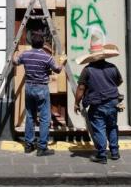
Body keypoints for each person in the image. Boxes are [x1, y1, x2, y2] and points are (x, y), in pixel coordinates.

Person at [13, 30, 67, 156]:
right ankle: (42, 147)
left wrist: (14, 54)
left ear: (31, 43)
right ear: (43, 44)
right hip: (41, 88)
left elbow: (15, 62)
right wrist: (62, 62)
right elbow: (57, 70)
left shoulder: (25, 54)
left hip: (29, 87)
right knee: (44, 118)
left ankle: (28, 145)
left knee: (30, 116)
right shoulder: (46, 57)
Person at [74, 33, 123, 164]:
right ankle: (114, 152)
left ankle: (101, 155)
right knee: (112, 126)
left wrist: (76, 103)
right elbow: (119, 82)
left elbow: (80, 89)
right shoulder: (112, 67)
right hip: (113, 102)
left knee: (99, 127)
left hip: (97, 103)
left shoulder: (87, 70)